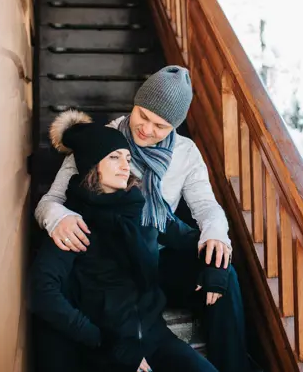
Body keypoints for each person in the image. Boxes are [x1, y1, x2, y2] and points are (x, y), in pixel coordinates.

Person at [35, 66, 252, 372]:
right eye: (142, 116)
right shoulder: (100, 142)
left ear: (174, 127)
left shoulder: (185, 153)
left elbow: (206, 208)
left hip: (156, 258)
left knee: (223, 274)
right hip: (111, 270)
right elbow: (50, 201)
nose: (147, 130)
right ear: (134, 104)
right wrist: (60, 218)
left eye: (160, 126)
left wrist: (216, 239)